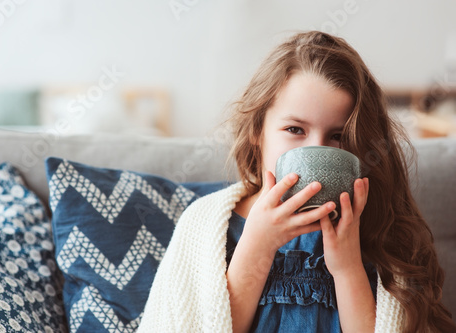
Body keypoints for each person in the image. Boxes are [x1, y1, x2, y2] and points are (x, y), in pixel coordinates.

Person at [137, 31, 455, 332]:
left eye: (338, 136)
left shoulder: (377, 227)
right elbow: (200, 324)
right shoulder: (205, 226)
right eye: (295, 130)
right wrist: (256, 249)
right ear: (257, 131)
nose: (315, 148)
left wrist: (347, 269)